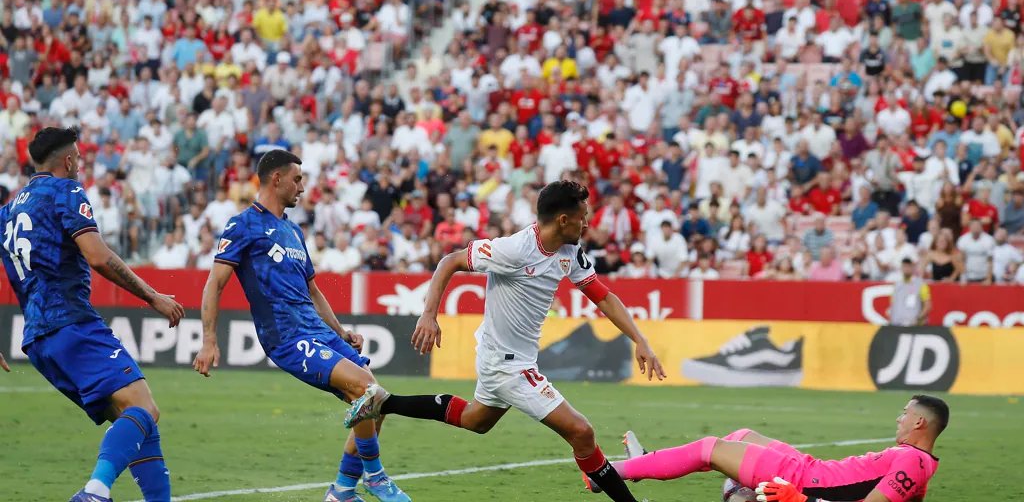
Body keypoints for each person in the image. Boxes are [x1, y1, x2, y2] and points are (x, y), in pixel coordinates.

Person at [343, 180, 667, 502]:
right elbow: (450, 261)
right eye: (583, 216)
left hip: (512, 355)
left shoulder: (569, 250)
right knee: (582, 432)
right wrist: (429, 315)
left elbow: (603, 297)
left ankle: (384, 402)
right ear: (563, 220)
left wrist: (639, 339)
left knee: (476, 420)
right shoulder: (514, 249)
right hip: (506, 362)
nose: (588, 222)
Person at [191, 150, 410, 502]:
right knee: (366, 390)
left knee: (375, 401)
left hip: (317, 330)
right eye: (297, 179)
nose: (303, 188)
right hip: (286, 336)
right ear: (275, 179)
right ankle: (375, 477)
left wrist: (341, 333)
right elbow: (214, 284)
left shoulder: (293, 230)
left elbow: (312, 289)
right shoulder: (243, 225)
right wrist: (208, 341)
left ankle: (340, 491)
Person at [0, 127, 184, 502]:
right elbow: (98, 257)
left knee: (137, 419)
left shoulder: (7, 212)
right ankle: (95, 492)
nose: (81, 164)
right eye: (79, 157)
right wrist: (153, 297)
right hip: (71, 322)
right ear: (68, 160)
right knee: (143, 407)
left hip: (37, 341)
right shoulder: (65, 191)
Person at [613, 395, 948, 502]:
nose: (899, 418)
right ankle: (646, 464)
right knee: (741, 434)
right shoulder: (920, 464)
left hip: (805, 480)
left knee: (709, 449)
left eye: (905, 414)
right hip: (812, 468)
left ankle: (609, 474)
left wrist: (802, 500)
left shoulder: (913, 462)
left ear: (919, 424)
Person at [888, 258, 932, 326]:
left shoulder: (920, 285)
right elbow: (892, 305)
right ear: (901, 268)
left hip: (913, 325)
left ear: (913, 268)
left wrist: (918, 318)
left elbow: (928, 306)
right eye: (904, 266)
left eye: (908, 266)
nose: (906, 269)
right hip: (897, 324)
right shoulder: (897, 285)